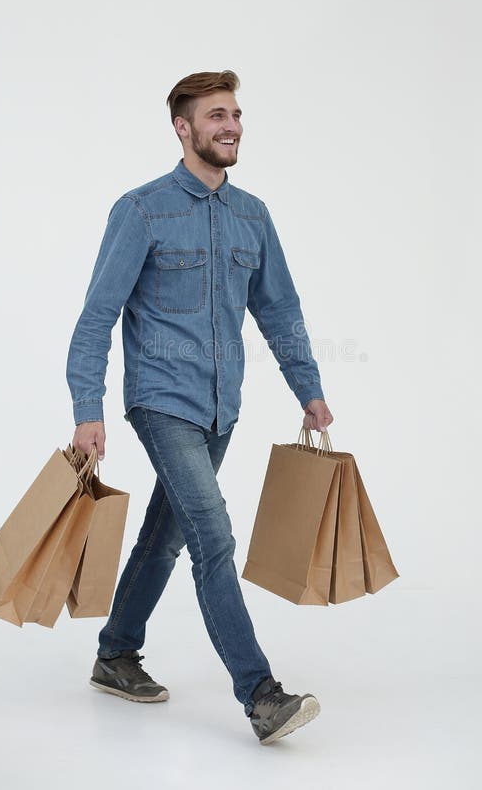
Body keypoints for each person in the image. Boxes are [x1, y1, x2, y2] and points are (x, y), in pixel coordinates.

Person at [66, 70, 334, 745]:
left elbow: (281, 311)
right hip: (161, 401)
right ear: (183, 128)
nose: (231, 126)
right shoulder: (143, 210)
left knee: (167, 534)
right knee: (212, 536)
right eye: (216, 115)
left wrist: (309, 388)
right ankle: (261, 695)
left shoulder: (252, 215)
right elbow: (98, 315)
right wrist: (86, 405)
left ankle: (116, 653)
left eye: (236, 114)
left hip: (222, 407)